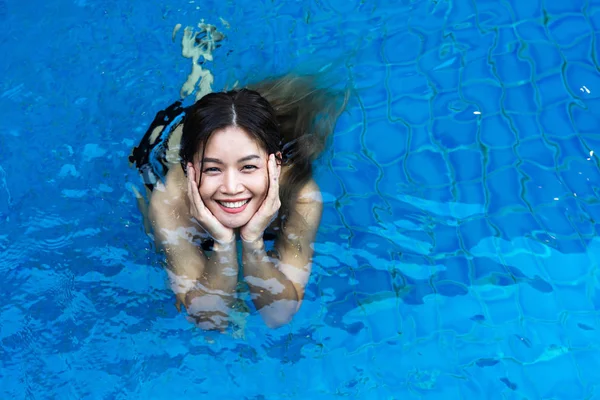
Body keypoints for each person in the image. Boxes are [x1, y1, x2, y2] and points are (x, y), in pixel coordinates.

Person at [130, 75, 347, 330]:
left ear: (274, 164)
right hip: (169, 149)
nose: (231, 188)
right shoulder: (170, 203)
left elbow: (277, 316)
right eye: (213, 169)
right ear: (191, 170)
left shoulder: (300, 196)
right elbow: (209, 321)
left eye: (248, 167)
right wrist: (223, 245)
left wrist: (253, 243)